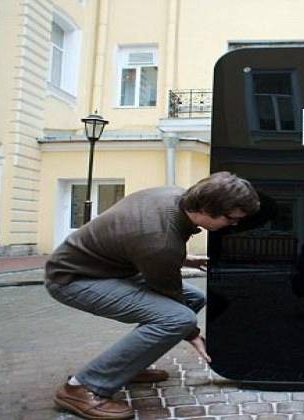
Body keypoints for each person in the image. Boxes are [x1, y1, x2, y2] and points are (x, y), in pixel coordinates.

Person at [44, 172, 260, 419]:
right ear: (205, 208)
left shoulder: (175, 196)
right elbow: (167, 288)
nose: (233, 225)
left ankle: (127, 366)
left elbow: (140, 241)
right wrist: (193, 334)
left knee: (194, 298)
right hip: (74, 279)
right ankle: (81, 387)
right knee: (178, 319)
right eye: (231, 219)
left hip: (108, 268)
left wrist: (180, 258)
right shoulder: (160, 242)